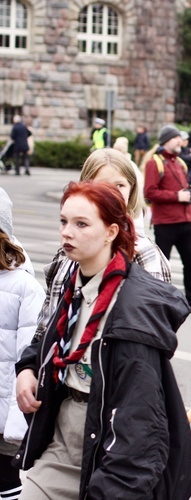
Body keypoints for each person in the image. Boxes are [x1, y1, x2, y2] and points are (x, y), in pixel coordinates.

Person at [14, 181, 191, 499]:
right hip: (63, 435)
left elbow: (139, 421)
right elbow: (51, 335)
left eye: (81, 224)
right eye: (64, 221)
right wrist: (28, 367)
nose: (67, 232)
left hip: (110, 445)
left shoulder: (131, 309)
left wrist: (115, 487)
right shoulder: (76, 280)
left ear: (111, 231)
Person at [36, 148, 172, 342]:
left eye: (120, 185)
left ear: (132, 189)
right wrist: (31, 362)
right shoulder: (67, 250)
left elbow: (153, 324)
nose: (111, 193)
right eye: (101, 185)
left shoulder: (142, 252)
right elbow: (48, 316)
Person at [0, 188, 44, 500]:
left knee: (4, 480)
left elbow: (28, 357)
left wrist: (17, 424)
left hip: (3, 414)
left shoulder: (24, 286)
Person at [143, 125, 191, 314]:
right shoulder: (154, 163)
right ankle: (158, 301)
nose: (179, 141)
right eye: (175, 138)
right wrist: (176, 196)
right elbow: (149, 192)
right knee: (161, 266)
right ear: (165, 141)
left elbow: (186, 194)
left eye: (180, 138)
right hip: (164, 224)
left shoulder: (180, 163)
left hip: (184, 223)